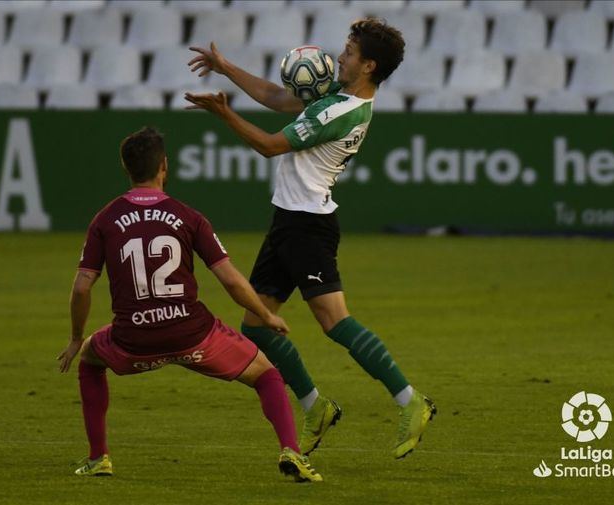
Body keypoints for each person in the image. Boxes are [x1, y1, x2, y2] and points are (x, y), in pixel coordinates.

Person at [185, 18, 436, 459]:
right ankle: (315, 407)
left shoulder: (335, 112)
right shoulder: (341, 99)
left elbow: (267, 145)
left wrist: (224, 113)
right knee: (257, 325)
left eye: (350, 53)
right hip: (290, 221)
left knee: (334, 322)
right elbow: (276, 96)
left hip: (307, 228)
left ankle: (410, 400)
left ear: (368, 65)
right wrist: (226, 67)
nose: (340, 57)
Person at [57, 127, 321, 482]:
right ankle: (291, 451)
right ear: (164, 166)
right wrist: (265, 314)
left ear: (126, 169)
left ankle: (98, 457)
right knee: (268, 374)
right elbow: (229, 278)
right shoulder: (188, 216)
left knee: (89, 360)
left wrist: (76, 337)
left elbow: (81, 287)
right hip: (193, 335)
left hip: (132, 340)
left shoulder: (104, 220)